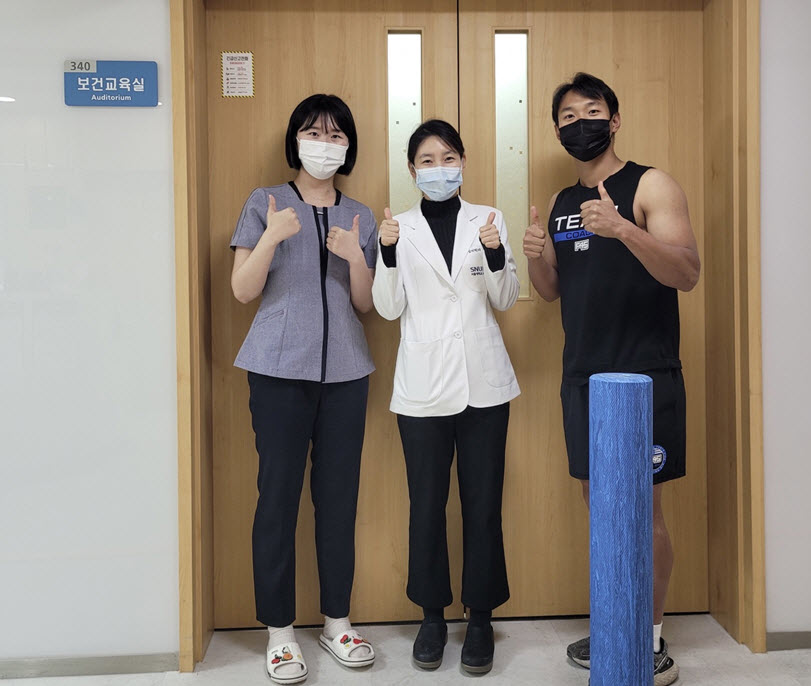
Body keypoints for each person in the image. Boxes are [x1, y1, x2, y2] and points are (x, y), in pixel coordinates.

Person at [523, 72, 700, 685]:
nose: (580, 124)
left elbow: (686, 272)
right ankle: (617, 620)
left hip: (643, 375)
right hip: (584, 378)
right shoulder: (560, 203)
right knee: (602, 507)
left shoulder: (650, 184)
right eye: (567, 118)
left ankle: (646, 638)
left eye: (591, 112)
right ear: (557, 130)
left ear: (615, 120)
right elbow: (551, 295)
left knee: (643, 509)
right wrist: (538, 256)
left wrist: (624, 228)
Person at [230, 94, 377, 684]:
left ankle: (337, 622)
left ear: (349, 147)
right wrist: (272, 236)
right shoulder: (264, 203)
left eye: (337, 134)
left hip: (345, 373)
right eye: (315, 132)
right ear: (295, 140)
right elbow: (242, 290)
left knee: (339, 500)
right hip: (277, 371)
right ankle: (281, 632)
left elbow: (366, 304)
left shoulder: (359, 214)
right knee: (278, 499)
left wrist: (354, 257)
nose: (325, 143)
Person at [372, 119, 520, 675]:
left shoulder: (488, 220)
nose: (439, 168)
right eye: (427, 160)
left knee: (483, 506)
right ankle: (432, 616)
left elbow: (505, 298)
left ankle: (478, 618)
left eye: (449, 157)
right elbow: (388, 309)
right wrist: (385, 254)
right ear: (412, 170)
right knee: (426, 505)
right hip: (423, 386)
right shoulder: (396, 228)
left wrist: (498, 252)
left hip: (484, 383)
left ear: (463, 163)